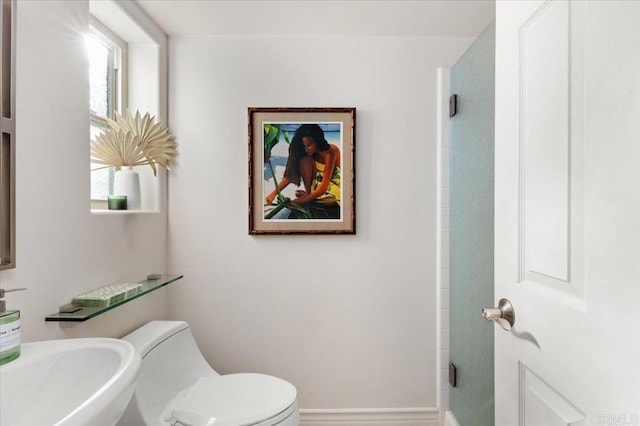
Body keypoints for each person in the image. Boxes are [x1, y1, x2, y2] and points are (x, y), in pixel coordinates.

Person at [265, 124, 341, 219]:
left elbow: (323, 188)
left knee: (331, 200)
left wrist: (303, 201)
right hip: (317, 187)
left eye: (309, 145)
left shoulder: (331, 151)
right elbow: (290, 176)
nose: (306, 149)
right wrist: (273, 193)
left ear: (317, 141)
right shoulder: (309, 155)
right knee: (303, 160)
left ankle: (310, 197)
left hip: (333, 187)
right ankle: (309, 194)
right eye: (304, 146)